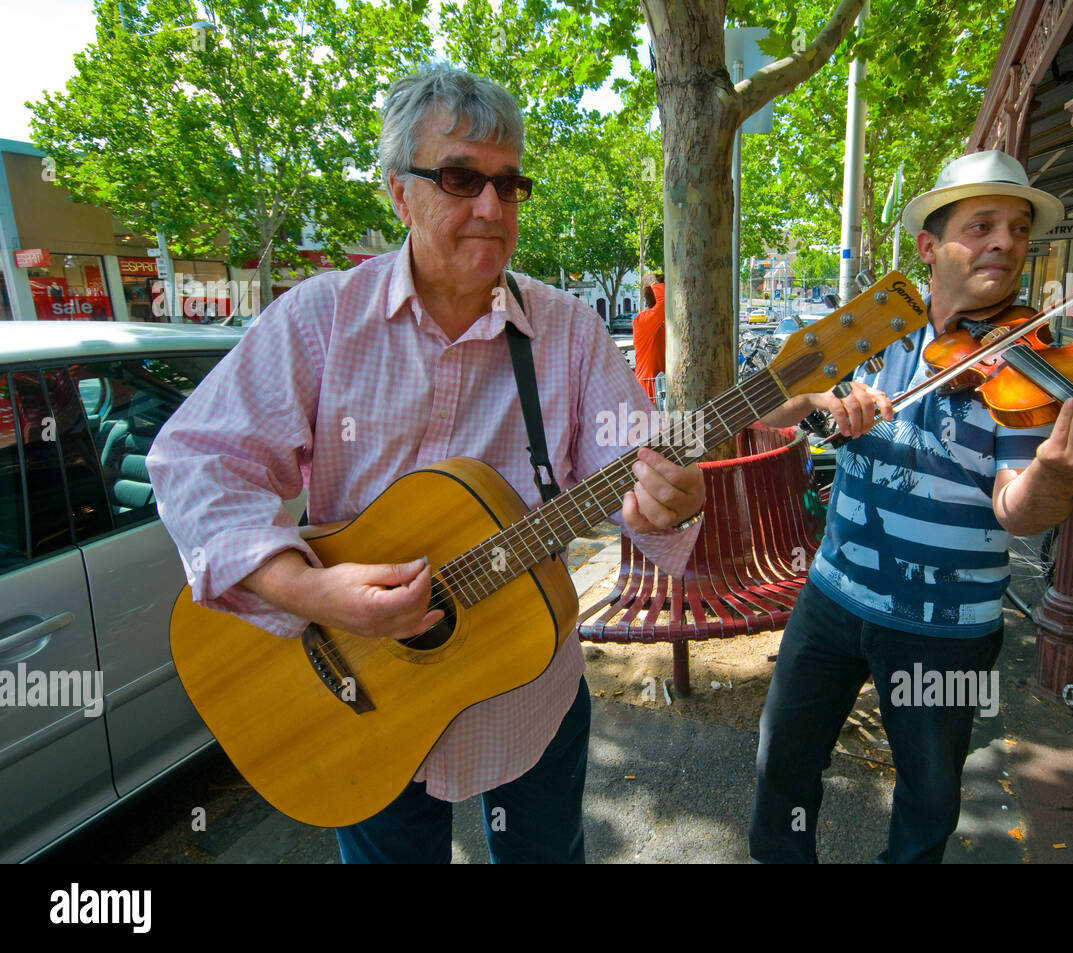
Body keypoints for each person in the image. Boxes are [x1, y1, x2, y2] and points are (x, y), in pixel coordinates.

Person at [146, 66, 705, 864]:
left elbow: (634, 473)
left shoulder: (571, 333)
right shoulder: (321, 319)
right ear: (398, 194)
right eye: (459, 177)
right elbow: (199, 462)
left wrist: (666, 503)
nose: (491, 206)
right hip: (363, 702)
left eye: (509, 185)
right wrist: (309, 591)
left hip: (527, 696)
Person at [747, 150, 1073, 863]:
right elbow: (765, 401)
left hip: (947, 627)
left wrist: (1055, 471)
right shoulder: (873, 324)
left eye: (1019, 229)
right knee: (782, 763)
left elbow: (1018, 510)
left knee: (928, 800)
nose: (1005, 241)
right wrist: (819, 400)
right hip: (834, 596)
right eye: (981, 225)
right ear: (928, 248)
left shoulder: (1033, 365)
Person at [633, 273, 666, 402]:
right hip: (649, 391)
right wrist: (654, 283)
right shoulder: (642, 321)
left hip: (660, 389)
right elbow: (663, 303)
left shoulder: (661, 321)